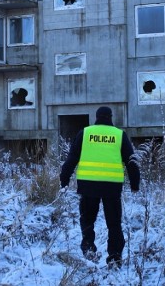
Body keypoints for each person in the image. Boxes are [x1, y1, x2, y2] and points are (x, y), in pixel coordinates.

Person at [60, 106, 141, 267]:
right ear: (111, 117)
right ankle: (115, 257)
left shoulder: (85, 133)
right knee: (114, 223)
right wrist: (135, 184)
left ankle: (89, 249)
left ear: (96, 117)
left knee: (88, 220)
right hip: (112, 187)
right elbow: (131, 161)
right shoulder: (119, 135)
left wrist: (64, 180)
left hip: (88, 186)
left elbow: (71, 159)